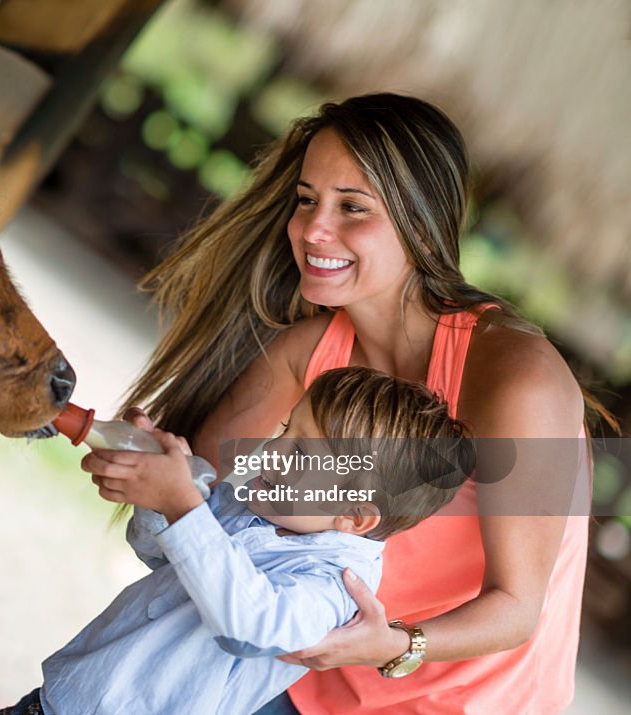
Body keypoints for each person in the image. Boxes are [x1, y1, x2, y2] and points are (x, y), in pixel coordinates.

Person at [106, 93, 600, 714]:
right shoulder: (308, 350)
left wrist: (390, 643)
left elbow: (517, 610)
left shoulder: (514, 375)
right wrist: (143, 466)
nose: (313, 230)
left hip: (462, 698)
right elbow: (202, 486)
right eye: (307, 199)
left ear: (420, 224)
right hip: (307, 671)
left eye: (353, 208)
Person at [0, 366, 472, 715]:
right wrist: (165, 496)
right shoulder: (256, 508)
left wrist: (185, 508)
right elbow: (160, 553)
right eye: (287, 429)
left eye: (302, 451)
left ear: (353, 516)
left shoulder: (334, 585)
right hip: (63, 698)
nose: (273, 449)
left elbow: (253, 625)